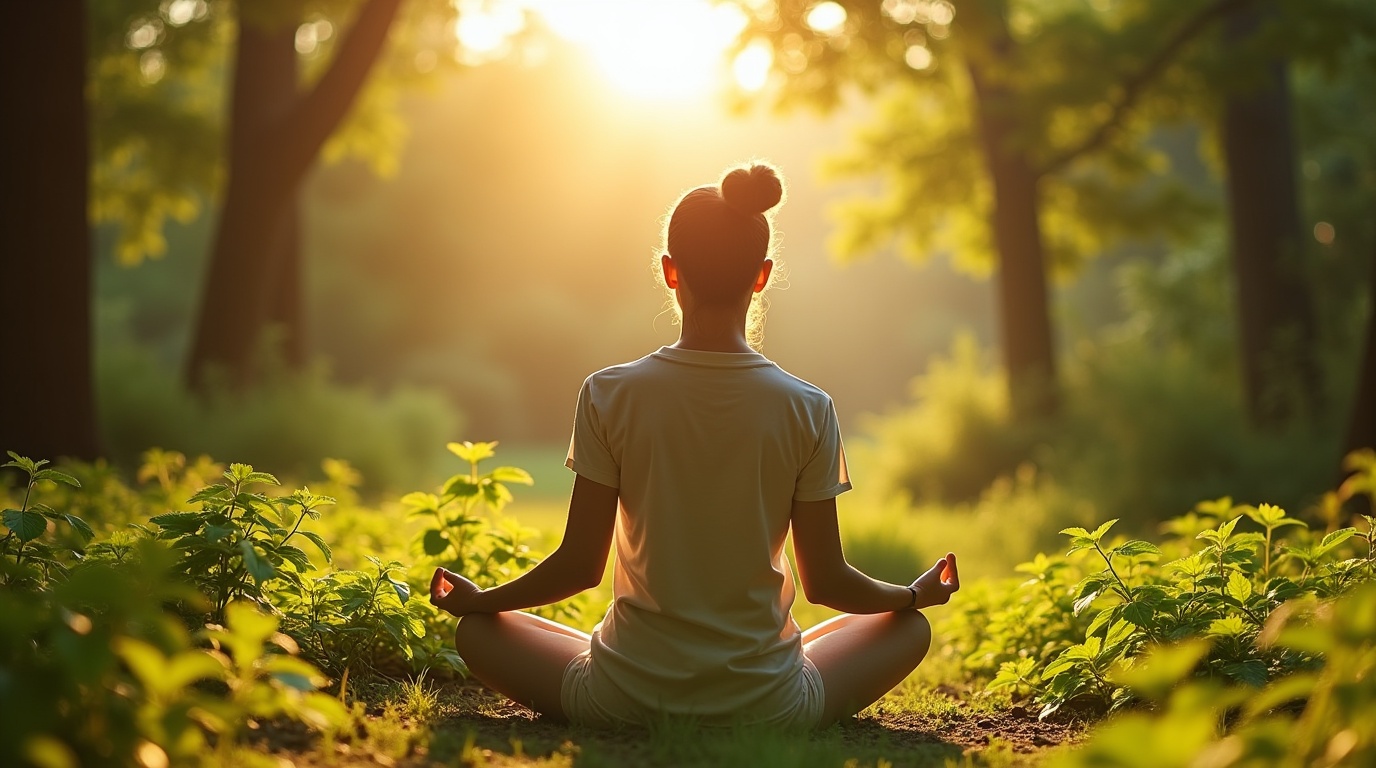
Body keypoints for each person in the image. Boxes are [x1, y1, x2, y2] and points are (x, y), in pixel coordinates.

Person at [429, 162, 959, 729]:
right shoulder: (808, 406)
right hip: (769, 706)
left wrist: (481, 601)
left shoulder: (610, 393)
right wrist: (909, 595)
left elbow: (580, 566)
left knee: (479, 632)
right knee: (908, 627)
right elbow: (827, 581)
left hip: (622, 697)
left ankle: (630, 667)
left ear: (669, 271)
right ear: (762, 276)